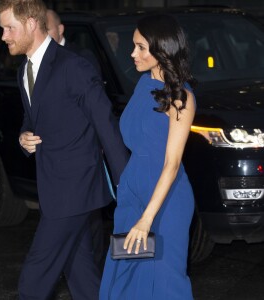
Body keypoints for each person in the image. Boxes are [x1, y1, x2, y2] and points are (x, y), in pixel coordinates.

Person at [0, 1, 129, 299]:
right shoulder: (23, 72)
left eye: (9, 28)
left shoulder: (74, 66)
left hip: (75, 190)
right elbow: (31, 120)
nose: (4, 36)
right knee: (82, 277)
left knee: (34, 278)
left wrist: (128, 185)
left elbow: (105, 125)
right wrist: (23, 137)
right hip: (52, 190)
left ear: (31, 24)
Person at [100, 14, 197, 299]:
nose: (132, 53)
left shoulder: (181, 97)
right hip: (133, 194)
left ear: (162, 48)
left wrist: (146, 218)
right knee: (126, 278)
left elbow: (172, 163)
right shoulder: (142, 86)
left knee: (164, 282)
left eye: (141, 47)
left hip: (165, 202)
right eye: (134, 45)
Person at [45, 8, 105, 272]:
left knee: (90, 229)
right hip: (54, 166)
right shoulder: (34, 64)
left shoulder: (80, 59)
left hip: (82, 160)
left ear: (60, 30)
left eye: (48, 28)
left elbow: (96, 112)